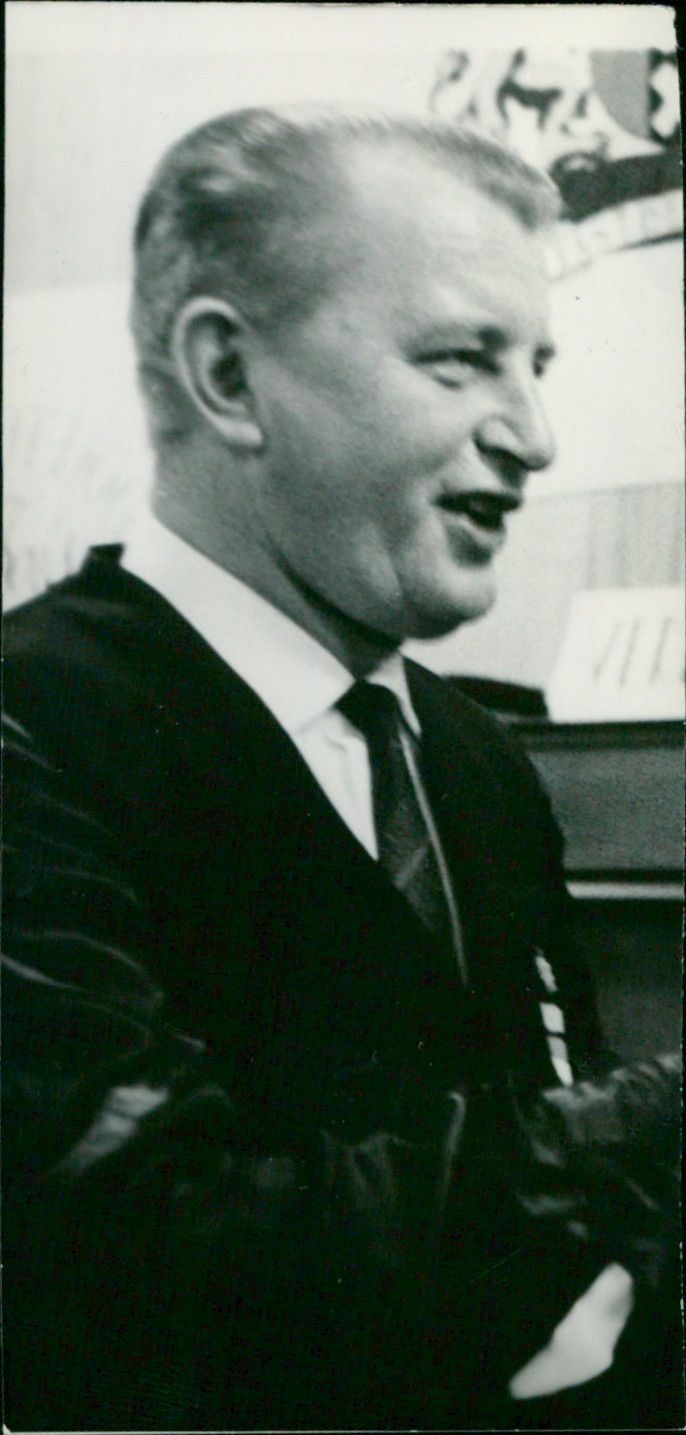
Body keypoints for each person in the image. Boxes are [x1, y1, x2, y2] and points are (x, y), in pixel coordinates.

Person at [2, 107, 680, 1431]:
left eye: (535, 368)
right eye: (460, 361)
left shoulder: (476, 760)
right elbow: (142, 1253)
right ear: (228, 376)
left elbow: (569, 1190)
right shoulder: (34, 726)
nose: (534, 436)